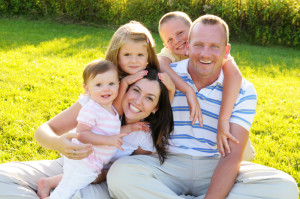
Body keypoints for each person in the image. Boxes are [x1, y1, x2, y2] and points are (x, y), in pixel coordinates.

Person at [107, 15, 299, 199]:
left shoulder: (243, 90)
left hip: (215, 165)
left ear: (226, 51)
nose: (205, 54)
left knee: (284, 188)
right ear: (188, 47)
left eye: (214, 46)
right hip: (167, 162)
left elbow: (231, 158)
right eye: (198, 45)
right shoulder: (166, 76)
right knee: (119, 174)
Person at [0, 68, 173, 199]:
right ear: (124, 88)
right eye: (136, 90)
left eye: (149, 98)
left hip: (103, 181)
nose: (138, 101)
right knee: (3, 177)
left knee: (74, 193)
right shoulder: (99, 104)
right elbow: (42, 132)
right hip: (74, 163)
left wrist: (103, 175)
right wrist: (58, 143)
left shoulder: (143, 135)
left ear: (155, 108)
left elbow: (128, 171)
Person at [157, 11, 255, 160]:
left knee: (237, 147)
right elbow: (160, 64)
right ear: (165, 44)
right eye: (169, 39)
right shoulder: (170, 52)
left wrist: (223, 120)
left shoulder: (210, 50)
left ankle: (242, 157)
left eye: (180, 33)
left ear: (192, 30)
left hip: (220, 118)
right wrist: (188, 89)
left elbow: (235, 75)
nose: (176, 41)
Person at [38, 59, 121, 199]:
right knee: (69, 188)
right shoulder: (92, 109)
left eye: (111, 84)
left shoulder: (109, 108)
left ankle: (48, 183)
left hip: (89, 160)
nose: (106, 88)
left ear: (119, 84)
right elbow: (82, 134)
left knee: (73, 180)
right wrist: (109, 140)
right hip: (85, 159)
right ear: (87, 89)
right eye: (99, 85)